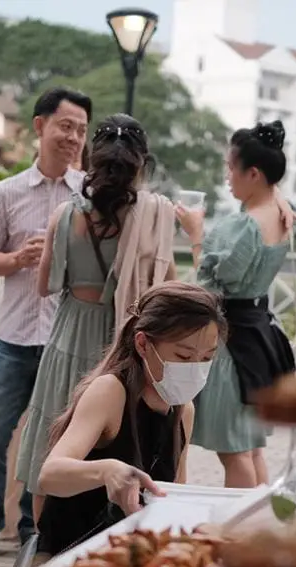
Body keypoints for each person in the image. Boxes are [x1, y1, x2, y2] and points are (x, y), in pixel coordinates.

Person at [0, 86, 92, 559]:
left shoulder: (89, 198)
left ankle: (36, 529)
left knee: (49, 442)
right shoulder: (6, 192)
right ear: (40, 127)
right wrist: (17, 259)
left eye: (81, 130)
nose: (73, 137)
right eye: (65, 126)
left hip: (62, 342)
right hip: (12, 338)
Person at [15, 114, 176, 525]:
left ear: (93, 161)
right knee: (116, 443)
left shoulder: (65, 216)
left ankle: (42, 549)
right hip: (121, 344)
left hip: (68, 341)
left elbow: (46, 286)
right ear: (140, 165)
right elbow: (166, 288)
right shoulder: (155, 217)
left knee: (51, 452)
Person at [33, 281, 225, 559]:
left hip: (131, 556)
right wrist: (107, 471)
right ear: (143, 344)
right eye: (183, 356)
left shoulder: (184, 409)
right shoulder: (110, 390)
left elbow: (172, 494)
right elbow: (50, 475)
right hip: (74, 556)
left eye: (207, 358)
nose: (194, 369)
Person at [176, 120, 296, 489]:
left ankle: (238, 533)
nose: (228, 176)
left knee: (234, 452)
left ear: (254, 173)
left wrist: (195, 235)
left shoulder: (244, 225)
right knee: (251, 448)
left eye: (232, 168)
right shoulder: (280, 214)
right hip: (260, 337)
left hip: (233, 344)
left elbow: (210, 285)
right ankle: (260, 525)